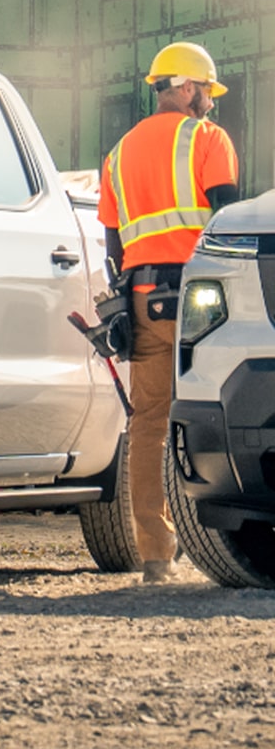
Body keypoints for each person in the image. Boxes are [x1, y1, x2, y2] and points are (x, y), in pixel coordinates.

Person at [98, 41, 241, 585]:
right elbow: (227, 218)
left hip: (141, 296)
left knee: (148, 424)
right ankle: (228, 540)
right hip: (203, 300)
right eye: (206, 90)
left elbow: (113, 242)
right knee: (222, 407)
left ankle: (156, 555)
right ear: (185, 87)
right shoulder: (206, 139)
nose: (209, 101)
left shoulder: (118, 154)